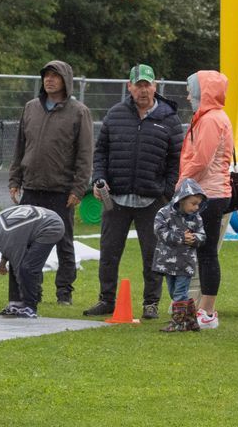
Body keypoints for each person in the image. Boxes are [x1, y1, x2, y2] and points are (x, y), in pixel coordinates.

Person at [87, 63, 183, 320]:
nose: (143, 90)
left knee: (152, 253)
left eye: (147, 84)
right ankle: (106, 299)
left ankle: (151, 303)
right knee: (108, 251)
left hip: (152, 199)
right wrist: (99, 178)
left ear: (155, 86)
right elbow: (101, 152)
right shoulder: (115, 114)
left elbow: (177, 159)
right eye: (138, 85)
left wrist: (166, 190)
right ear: (129, 87)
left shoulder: (169, 119)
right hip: (115, 198)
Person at [8, 59, 92, 305]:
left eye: (55, 75)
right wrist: (15, 179)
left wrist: (78, 188)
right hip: (32, 186)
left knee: (63, 243)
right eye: (46, 75)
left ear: (65, 80)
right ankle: (30, 289)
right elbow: (19, 147)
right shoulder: (30, 107)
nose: (50, 79)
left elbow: (85, 154)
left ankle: (64, 292)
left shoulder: (79, 112)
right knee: (25, 241)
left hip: (61, 189)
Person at [178, 69, 235, 330]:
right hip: (209, 192)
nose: (189, 95)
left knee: (207, 253)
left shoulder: (211, 119)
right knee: (203, 252)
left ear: (204, 92)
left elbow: (201, 159)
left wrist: (182, 184)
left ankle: (208, 311)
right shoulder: (209, 117)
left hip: (209, 194)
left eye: (192, 90)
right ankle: (197, 306)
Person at [0, 204, 69, 319]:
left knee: (27, 268)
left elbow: (16, 260)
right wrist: (3, 261)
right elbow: (6, 240)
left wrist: (25, 292)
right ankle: (16, 305)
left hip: (51, 227)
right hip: (42, 220)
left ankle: (30, 307)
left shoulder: (6, 237)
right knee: (20, 267)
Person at [153, 179, 208, 333]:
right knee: (173, 291)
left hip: (186, 263)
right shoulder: (164, 213)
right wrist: (181, 238)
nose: (196, 207)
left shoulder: (196, 218)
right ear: (182, 199)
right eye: (193, 203)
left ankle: (178, 322)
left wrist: (195, 238)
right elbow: (159, 231)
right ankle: (190, 319)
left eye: (198, 204)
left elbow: (202, 236)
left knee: (179, 293)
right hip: (167, 262)